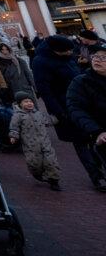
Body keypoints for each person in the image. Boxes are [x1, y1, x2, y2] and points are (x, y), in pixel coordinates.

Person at [33, 34, 104, 191]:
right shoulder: (41, 62)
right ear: (57, 50)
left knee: (95, 137)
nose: (71, 52)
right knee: (81, 142)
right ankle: (96, 176)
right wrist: (59, 112)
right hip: (65, 107)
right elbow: (45, 90)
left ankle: (101, 168)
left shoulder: (68, 58)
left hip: (85, 102)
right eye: (67, 50)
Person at [66, 45, 106, 192]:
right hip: (90, 129)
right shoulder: (80, 82)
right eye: (95, 56)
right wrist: (97, 131)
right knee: (91, 154)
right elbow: (75, 108)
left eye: (103, 57)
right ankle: (98, 177)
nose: (97, 60)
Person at [9, 91, 62, 191]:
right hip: (31, 146)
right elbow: (14, 127)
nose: (29, 103)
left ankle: (54, 181)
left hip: (45, 143)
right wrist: (13, 136)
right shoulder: (17, 116)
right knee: (35, 163)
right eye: (26, 102)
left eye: (30, 101)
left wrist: (57, 118)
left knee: (51, 162)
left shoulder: (38, 114)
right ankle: (37, 173)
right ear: (20, 104)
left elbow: (48, 121)